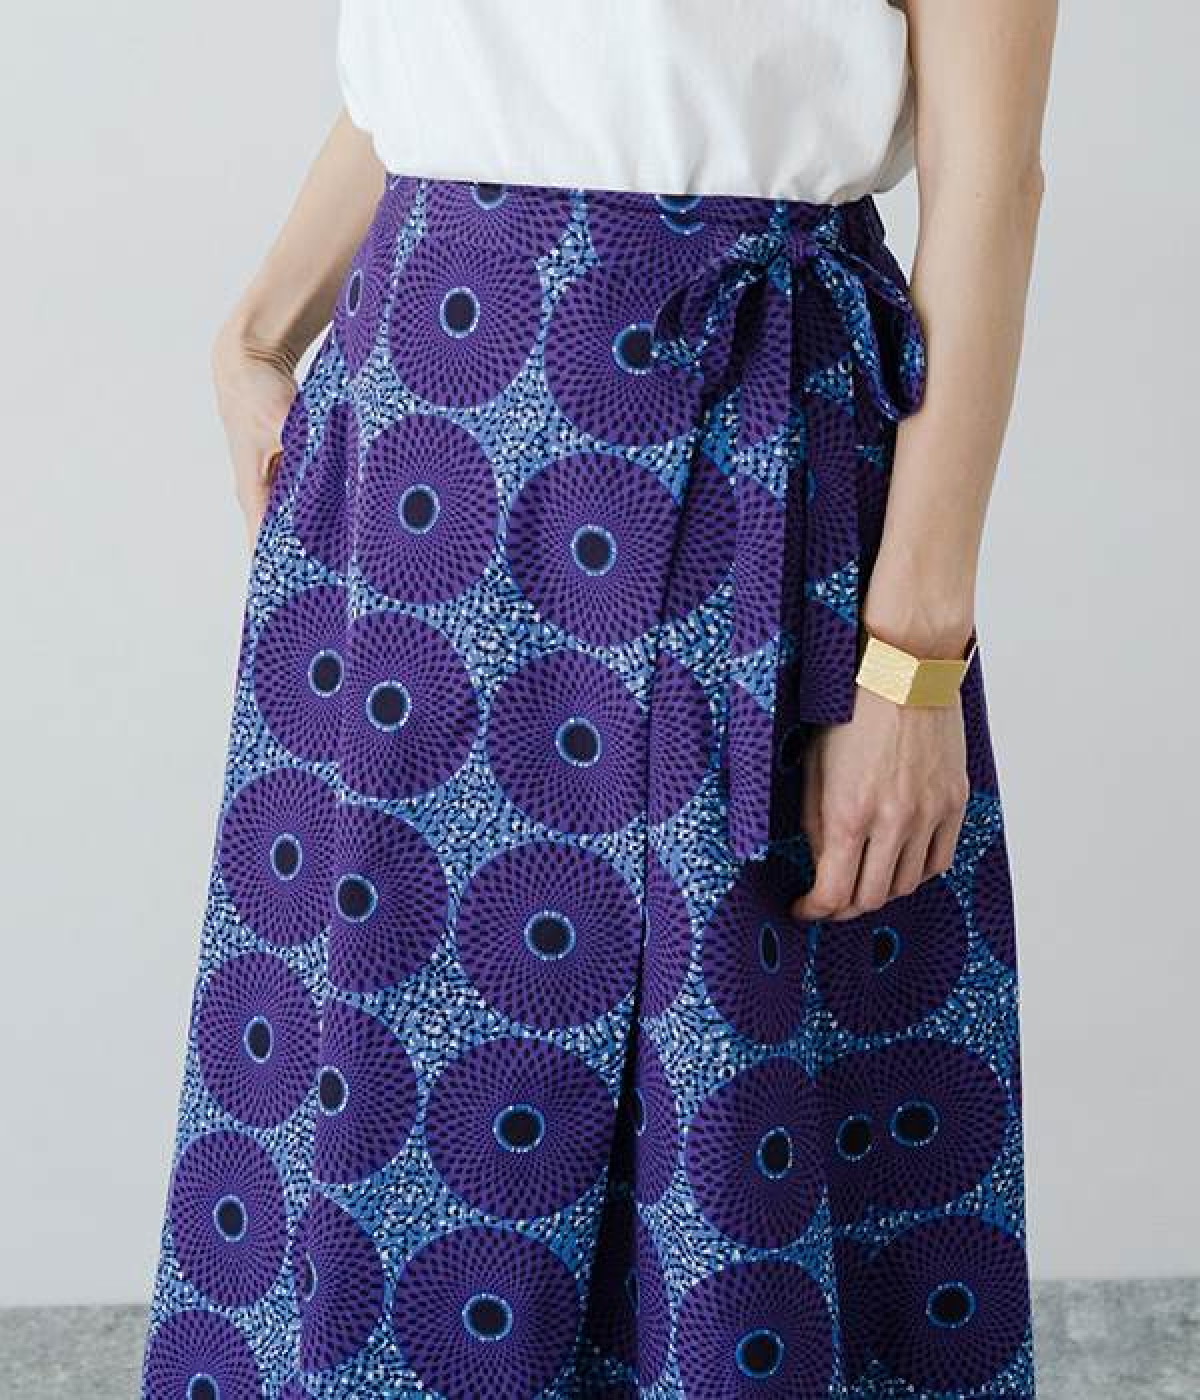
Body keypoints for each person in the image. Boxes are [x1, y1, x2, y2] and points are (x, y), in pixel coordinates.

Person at [141, 2, 1057, 1396]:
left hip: (742, 451)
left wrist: (913, 662)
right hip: (420, 432)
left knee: (730, 1098)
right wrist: (258, 329)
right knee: (380, 1075)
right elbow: (466, 65)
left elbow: (989, 187)